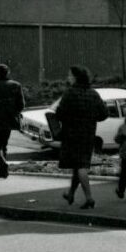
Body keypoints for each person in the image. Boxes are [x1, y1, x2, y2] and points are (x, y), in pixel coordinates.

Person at [52, 66, 105, 208]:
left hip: (71, 134)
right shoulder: (93, 93)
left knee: (80, 166)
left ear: (75, 77)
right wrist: (91, 118)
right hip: (88, 134)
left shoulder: (70, 93)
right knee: (79, 164)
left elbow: (60, 114)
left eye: (69, 75)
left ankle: (89, 198)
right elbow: (104, 113)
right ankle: (71, 193)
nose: (68, 78)